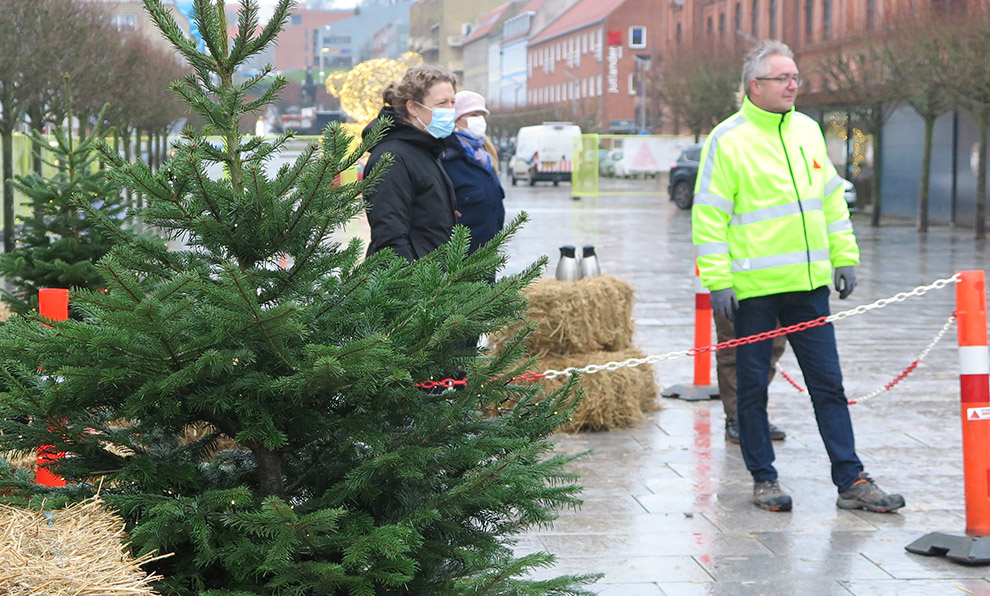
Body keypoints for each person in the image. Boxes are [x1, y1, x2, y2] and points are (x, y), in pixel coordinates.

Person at [692, 40, 904, 514]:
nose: (793, 85)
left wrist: (844, 256)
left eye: (795, 78)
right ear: (756, 85)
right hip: (754, 293)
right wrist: (719, 281)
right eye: (784, 78)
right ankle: (763, 479)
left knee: (829, 385)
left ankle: (851, 479)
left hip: (809, 290)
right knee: (752, 390)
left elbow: (831, 201)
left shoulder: (808, 131)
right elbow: (708, 217)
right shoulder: (727, 140)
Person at [363, 64, 458, 261]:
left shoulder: (426, 150)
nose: (450, 110)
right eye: (442, 104)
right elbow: (390, 238)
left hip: (434, 280)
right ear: (413, 107)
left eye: (452, 102)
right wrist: (414, 286)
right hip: (411, 284)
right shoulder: (392, 157)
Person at [440, 90, 505, 257]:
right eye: (473, 115)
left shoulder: (485, 156)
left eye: (481, 115)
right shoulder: (447, 156)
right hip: (460, 259)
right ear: (457, 119)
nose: (479, 120)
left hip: (487, 256)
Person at [714, 312, 787, 444]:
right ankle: (737, 417)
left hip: (778, 294)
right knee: (732, 348)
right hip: (737, 294)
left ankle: (754, 416)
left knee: (772, 347)